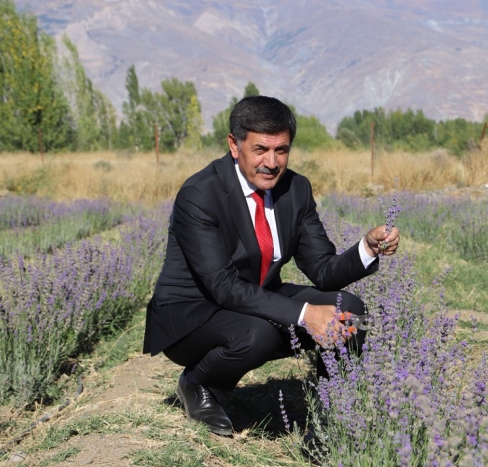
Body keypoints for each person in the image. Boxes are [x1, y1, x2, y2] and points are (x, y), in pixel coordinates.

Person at [142, 95, 400, 436]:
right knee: (258, 333)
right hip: (192, 313)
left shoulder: (295, 189)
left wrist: (366, 248)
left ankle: (331, 409)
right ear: (234, 145)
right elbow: (222, 286)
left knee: (349, 311)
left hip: (252, 299)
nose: (272, 162)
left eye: (282, 150)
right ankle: (198, 382)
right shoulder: (201, 194)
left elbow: (323, 269)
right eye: (261, 149)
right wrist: (305, 314)